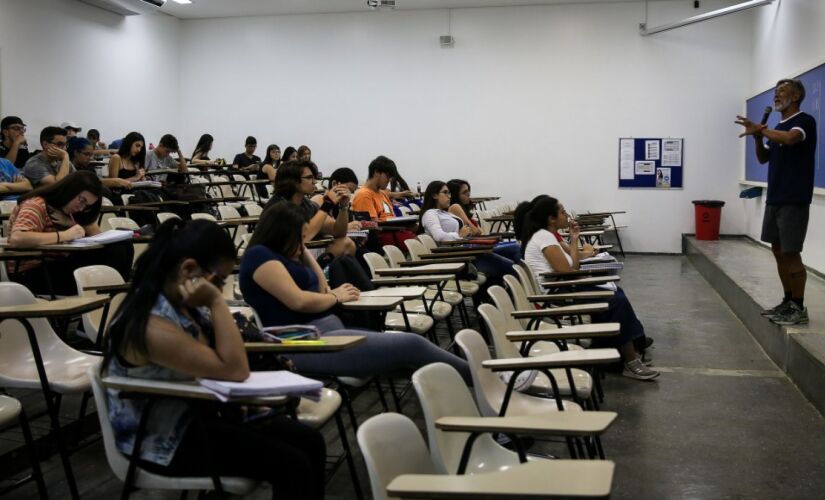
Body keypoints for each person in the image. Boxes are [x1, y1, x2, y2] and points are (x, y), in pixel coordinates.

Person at [103, 218, 325, 500]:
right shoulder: (149, 323)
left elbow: (228, 359)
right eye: (219, 281)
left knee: (310, 442)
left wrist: (212, 305)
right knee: (293, 465)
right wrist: (216, 302)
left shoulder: (179, 305)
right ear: (189, 270)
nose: (221, 289)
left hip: (199, 416)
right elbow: (234, 369)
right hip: (163, 441)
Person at [239, 202, 471, 381]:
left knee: (412, 364)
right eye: (299, 236)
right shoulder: (260, 256)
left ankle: (474, 385)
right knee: (412, 346)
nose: (303, 243)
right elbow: (299, 302)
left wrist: (304, 250)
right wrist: (334, 297)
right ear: (281, 233)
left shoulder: (288, 255)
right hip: (302, 342)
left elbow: (321, 287)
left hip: (326, 331)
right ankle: (484, 378)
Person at [519, 195, 658, 381]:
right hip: (556, 295)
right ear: (551, 218)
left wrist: (574, 239)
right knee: (616, 301)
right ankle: (631, 362)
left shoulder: (548, 236)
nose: (566, 214)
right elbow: (569, 272)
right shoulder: (544, 237)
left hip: (563, 287)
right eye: (561, 212)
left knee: (617, 293)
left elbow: (572, 267)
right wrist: (583, 275)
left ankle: (618, 351)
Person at [736, 78, 816, 326]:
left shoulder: (803, 121)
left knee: (792, 253)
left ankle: (799, 308)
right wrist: (757, 138)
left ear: (796, 97)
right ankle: (788, 301)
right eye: (776, 92)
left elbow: (791, 139)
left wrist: (761, 130)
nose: (776, 96)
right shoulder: (776, 127)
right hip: (775, 198)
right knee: (778, 250)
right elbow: (763, 159)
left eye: (783, 92)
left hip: (794, 198)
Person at [7, 171, 134, 295]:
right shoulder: (36, 205)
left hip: (58, 265)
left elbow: (98, 235)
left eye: (87, 205)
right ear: (70, 190)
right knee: (115, 252)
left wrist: (71, 224)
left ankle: (115, 297)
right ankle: (112, 298)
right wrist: (65, 235)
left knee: (123, 245)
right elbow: (17, 238)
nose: (81, 207)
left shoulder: (69, 210)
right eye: (81, 200)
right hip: (33, 272)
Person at [419, 180, 515, 286]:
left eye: (449, 193)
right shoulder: (430, 214)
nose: (449, 196)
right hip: (461, 257)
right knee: (512, 266)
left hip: (470, 250)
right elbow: (439, 236)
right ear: (434, 195)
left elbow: (472, 231)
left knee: (515, 250)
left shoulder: (444, 213)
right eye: (445, 192)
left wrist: (465, 233)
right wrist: (459, 235)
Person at [264, 161, 356, 258]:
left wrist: (343, 206)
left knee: (346, 244)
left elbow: (338, 232)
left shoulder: (307, 204)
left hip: (299, 254)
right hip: (275, 259)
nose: (315, 182)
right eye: (309, 178)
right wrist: (328, 204)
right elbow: (303, 237)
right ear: (293, 181)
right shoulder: (278, 205)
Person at [447, 178, 522, 262]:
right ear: (455, 195)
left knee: (517, 247)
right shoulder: (455, 207)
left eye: (468, 191)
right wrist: (475, 229)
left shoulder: (466, 211)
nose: (468, 194)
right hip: (476, 251)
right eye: (464, 192)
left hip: (481, 247)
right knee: (516, 249)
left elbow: (478, 231)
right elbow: (476, 231)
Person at [352, 155, 416, 246]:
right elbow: (371, 226)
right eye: (387, 176)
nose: (389, 181)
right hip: (383, 237)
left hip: (393, 233)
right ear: (376, 172)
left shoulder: (383, 193)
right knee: (418, 244)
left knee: (415, 229)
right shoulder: (364, 195)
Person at [67, 137, 131, 200]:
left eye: (91, 155)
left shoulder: (89, 167)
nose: (90, 158)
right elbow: (86, 184)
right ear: (75, 153)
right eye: (86, 154)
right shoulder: (68, 168)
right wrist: (114, 181)